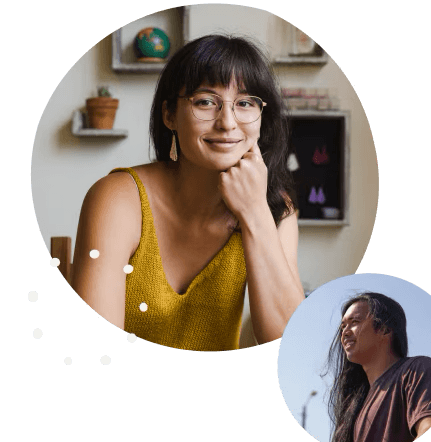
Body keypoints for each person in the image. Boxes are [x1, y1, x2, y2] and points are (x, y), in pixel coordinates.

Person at [71, 34, 305, 351]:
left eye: (246, 103)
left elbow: (291, 345)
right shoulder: (117, 198)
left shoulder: (276, 209)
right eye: (205, 101)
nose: (228, 122)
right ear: (169, 114)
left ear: (262, 117)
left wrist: (254, 213)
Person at [322, 292, 431, 442]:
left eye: (354, 322)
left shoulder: (416, 370)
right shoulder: (357, 404)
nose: (345, 333)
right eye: (343, 326)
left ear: (384, 329)